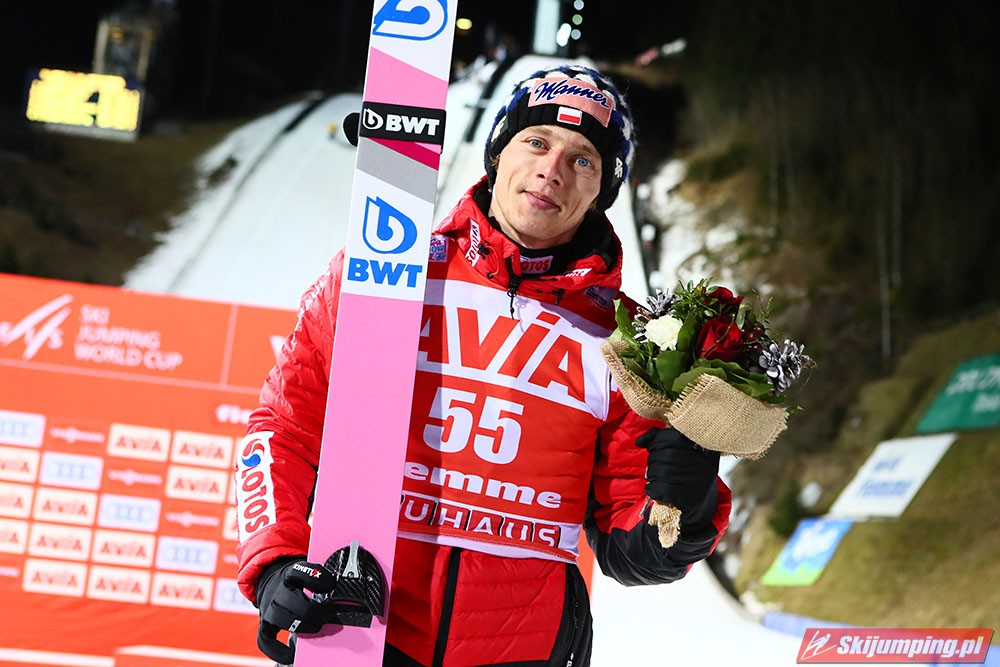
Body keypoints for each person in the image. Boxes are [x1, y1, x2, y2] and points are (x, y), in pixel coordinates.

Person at [235, 64, 732, 667]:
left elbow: (636, 551)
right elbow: (284, 429)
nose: (552, 169)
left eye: (583, 160)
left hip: (524, 649)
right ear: (498, 153)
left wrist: (686, 503)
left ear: (603, 192)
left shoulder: (625, 343)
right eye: (537, 141)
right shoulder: (384, 273)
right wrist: (274, 563)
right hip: (362, 630)